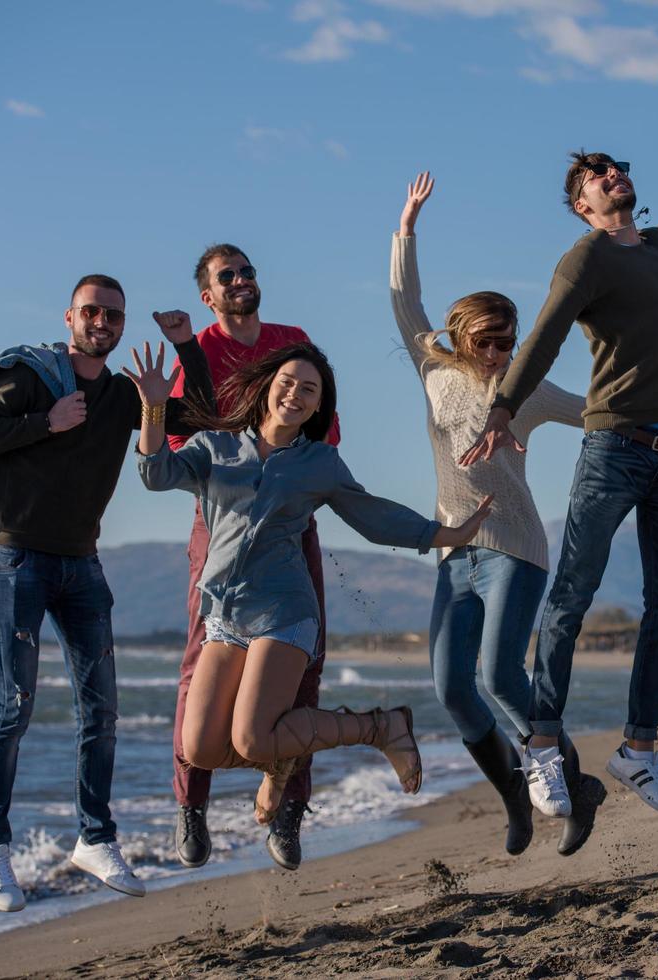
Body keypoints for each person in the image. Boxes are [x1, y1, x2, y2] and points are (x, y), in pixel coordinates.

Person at [463, 72, 658, 822]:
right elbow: (541, 335)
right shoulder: (585, 258)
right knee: (571, 596)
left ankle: (637, 750)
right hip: (614, 447)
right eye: (595, 176)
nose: (611, 176)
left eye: (614, 167)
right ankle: (541, 742)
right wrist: (503, 406)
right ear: (583, 205)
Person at [135, 342, 493, 829]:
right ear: (266, 387)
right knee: (199, 749)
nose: (295, 394)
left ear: (318, 405)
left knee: (252, 738)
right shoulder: (215, 446)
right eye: (288, 382)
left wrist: (443, 534)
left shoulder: (318, 463)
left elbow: (371, 515)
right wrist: (153, 407)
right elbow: (156, 474)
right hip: (224, 616)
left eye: (309, 390)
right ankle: (282, 762)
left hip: (284, 612)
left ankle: (381, 727)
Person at [0, 275, 213, 912]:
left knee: (102, 711)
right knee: (13, 704)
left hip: (82, 564)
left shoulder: (125, 396)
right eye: (92, 312)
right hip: (17, 556)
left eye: (113, 316)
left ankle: (95, 838)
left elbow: (199, 414)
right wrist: (47, 420)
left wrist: (183, 352)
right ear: (70, 316)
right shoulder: (34, 378)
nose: (103, 322)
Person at [390, 172, 604, 855]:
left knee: (497, 675)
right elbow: (403, 300)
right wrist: (407, 228)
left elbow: (598, 412)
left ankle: (568, 776)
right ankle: (515, 794)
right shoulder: (433, 369)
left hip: (514, 546)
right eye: (486, 340)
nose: (498, 353)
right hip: (456, 553)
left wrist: (649, 386)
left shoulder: (527, 388)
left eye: (507, 341)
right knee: (453, 691)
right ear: (460, 336)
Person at [167, 244, 340, 871]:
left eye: (247, 270)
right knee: (201, 661)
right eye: (226, 276)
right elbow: (184, 440)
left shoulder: (292, 341)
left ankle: (289, 807)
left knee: (308, 663)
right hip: (223, 525)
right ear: (208, 296)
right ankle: (192, 807)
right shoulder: (203, 351)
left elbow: (325, 427)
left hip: (294, 517)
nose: (241, 280)